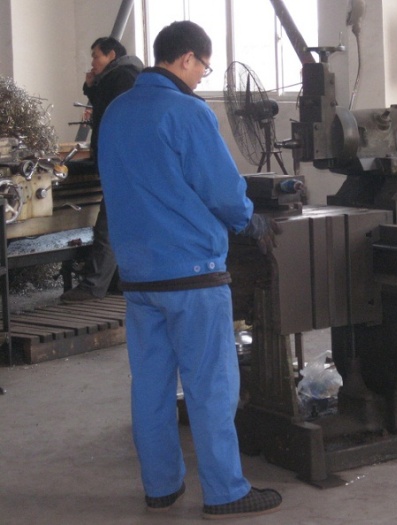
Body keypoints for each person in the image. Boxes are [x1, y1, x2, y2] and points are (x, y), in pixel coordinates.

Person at [97, 21, 282, 518]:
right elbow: (222, 191)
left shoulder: (116, 112)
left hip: (138, 278)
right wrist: (250, 221)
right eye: (204, 66)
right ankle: (225, 492)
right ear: (186, 59)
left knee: (151, 387)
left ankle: (161, 487)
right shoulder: (188, 112)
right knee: (211, 387)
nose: (203, 75)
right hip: (192, 273)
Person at [61, 37, 143, 303]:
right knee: (120, 224)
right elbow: (103, 105)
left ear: (111, 55)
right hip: (124, 161)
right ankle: (119, 281)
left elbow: (115, 118)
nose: (93, 62)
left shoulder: (123, 77)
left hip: (123, 162)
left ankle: (94, 285)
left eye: (96, 56)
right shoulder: (119, 76)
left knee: (109, 225)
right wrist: (91, 87)